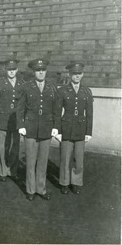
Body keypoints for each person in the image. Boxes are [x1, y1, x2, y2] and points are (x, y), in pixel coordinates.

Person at [17, 58, 60, 201]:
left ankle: (41, 189)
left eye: (43, 70)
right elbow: (20, 108)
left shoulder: (52, 87)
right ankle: (30, 189)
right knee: (30, 160)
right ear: (34, 72)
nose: (41, 73)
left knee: (43, 161)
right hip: (30, 128)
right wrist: (21, 125)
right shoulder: (26, 87)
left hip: (46, 128)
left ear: (46, 71)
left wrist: (56, 127)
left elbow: (56, 109)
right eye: (38, 70)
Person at [56, 62, 93, 195]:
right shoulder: (62, 91)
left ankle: (76, 182)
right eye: (74, 73)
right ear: (69, 74)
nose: (77, 76)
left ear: (82, 74)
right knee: (65, 158)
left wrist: (88, 132)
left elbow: (89, 114)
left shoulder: (87, 91)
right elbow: (57, 111)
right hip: (66, 127)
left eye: (79, 73)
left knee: (79, 158)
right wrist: (58, 130)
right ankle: (64, 183)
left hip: (81, 129)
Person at [0, 58, 25, 182]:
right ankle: (3, 172)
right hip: (3, 118)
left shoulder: (22, 84)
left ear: (17, 70)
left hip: (16, 120)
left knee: (15, 146)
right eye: (9, 69)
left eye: (13, 69)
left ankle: (13, 171)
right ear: (5, 70)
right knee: (3, 146)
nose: (11, 72)